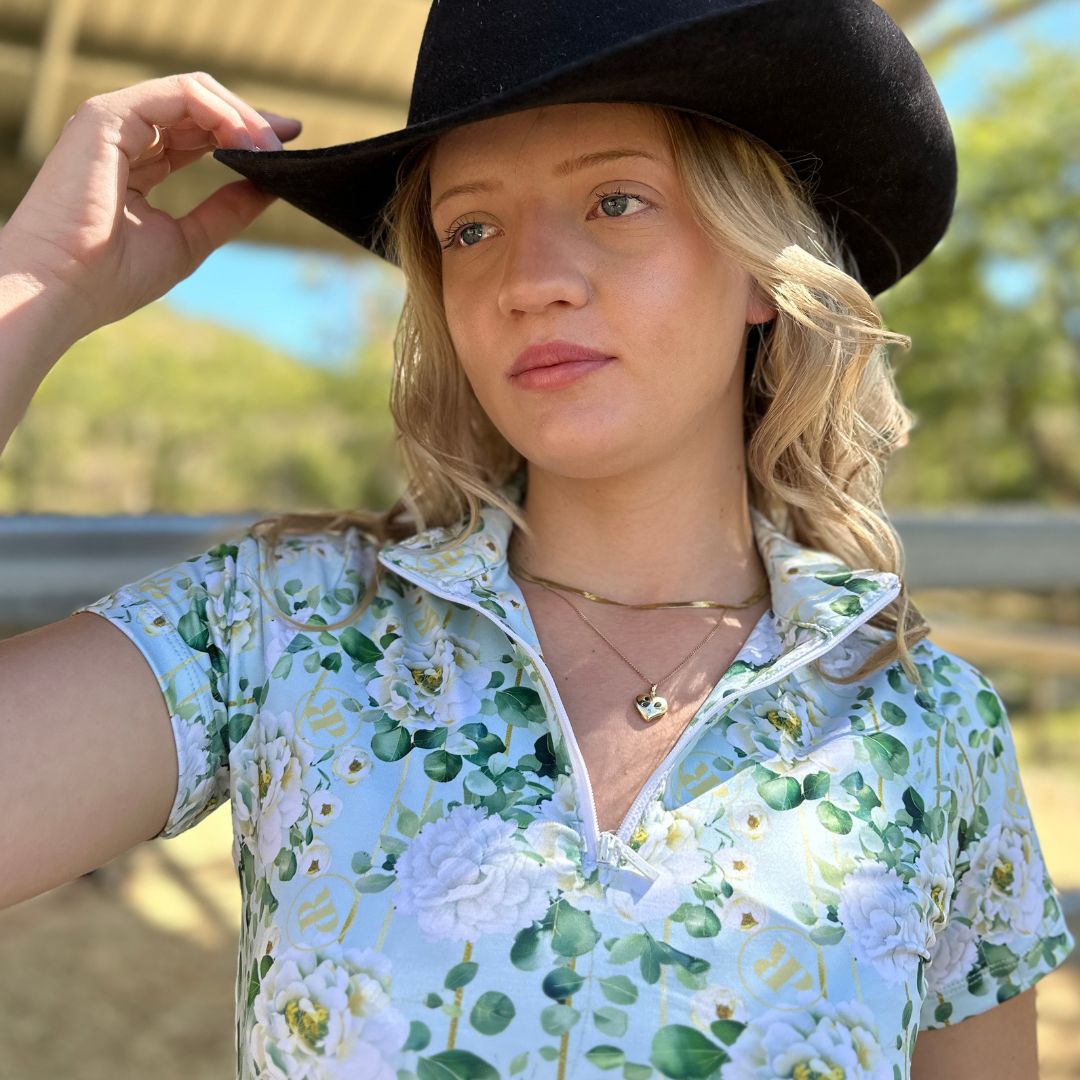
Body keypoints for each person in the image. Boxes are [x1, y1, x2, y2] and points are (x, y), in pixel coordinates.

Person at [0, 1, 1073, 1077]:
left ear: (760, 268)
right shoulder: (285, 627)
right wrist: (37, 286)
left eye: (616, 200)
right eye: (471, 228)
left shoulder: (926, 723)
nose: (527, 279)